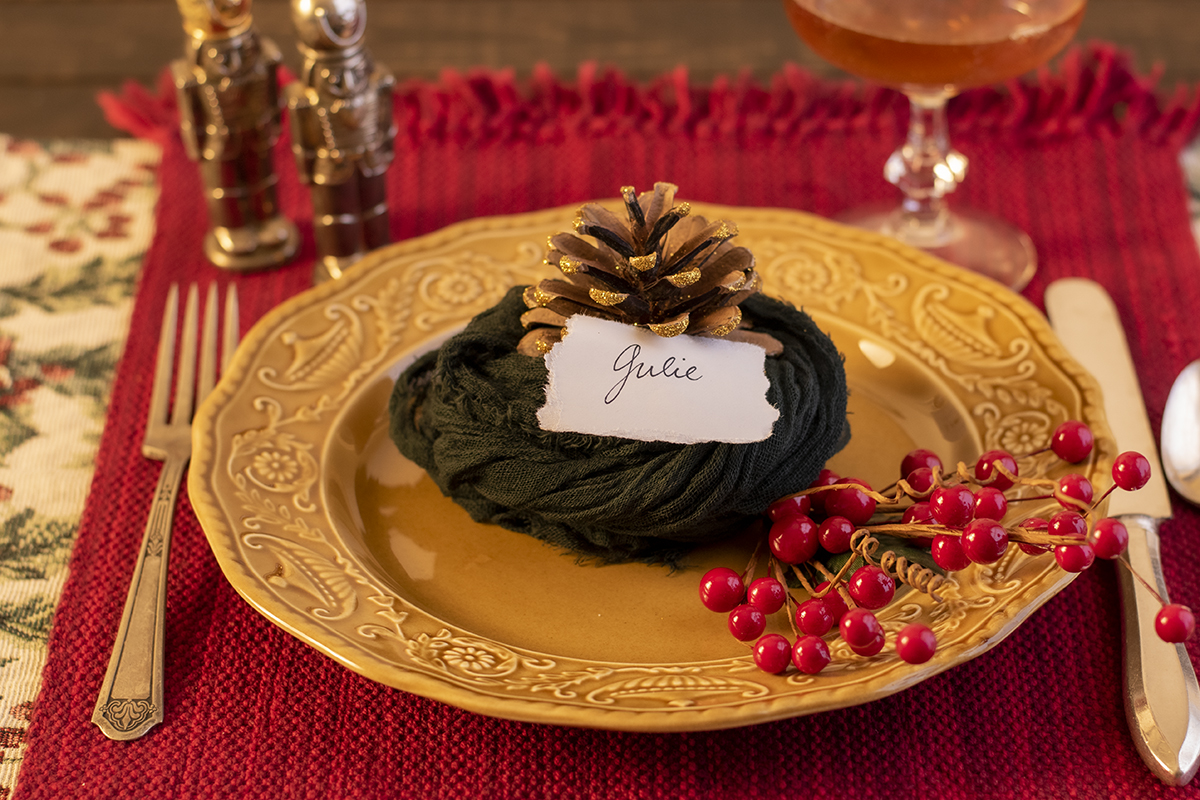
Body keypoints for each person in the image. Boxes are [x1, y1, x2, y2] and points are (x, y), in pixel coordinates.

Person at [173, 0, 299, 270]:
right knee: (226, 186)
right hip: (219, 138)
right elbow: (192, 109)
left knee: (262, 178)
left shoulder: (262, 54)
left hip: (256, 130)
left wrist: (274, 120)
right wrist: (196, 145)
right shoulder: (195, 69)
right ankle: (233, 227)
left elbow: (272, 88)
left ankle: (268, 219)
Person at [287, 0, 396, 282]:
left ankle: (378, 250)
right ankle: (342, 257)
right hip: (331, 162)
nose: (348, 86)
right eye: (336, 79)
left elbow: (383, 114)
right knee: (337, 215)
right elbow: (303, 137)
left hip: (369, 154)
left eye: (356, 75)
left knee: (374, 207)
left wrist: (386, 144)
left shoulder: (375, 76)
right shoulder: (305, 95)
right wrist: (306, 168)